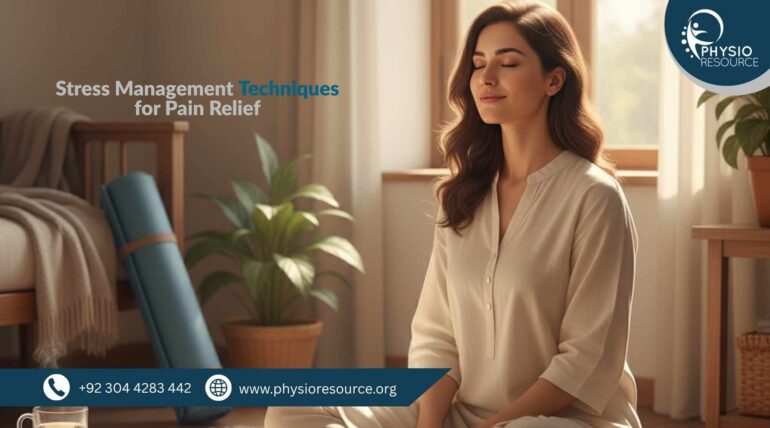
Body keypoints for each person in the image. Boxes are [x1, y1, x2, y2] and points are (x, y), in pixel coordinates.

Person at [265, 0, 641, 426]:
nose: (487, 78)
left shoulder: (595, 197)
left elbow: (585, 359)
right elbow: (436, 337)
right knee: (292, 405)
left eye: (508, 63)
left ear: (554, 79)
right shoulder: (465, 194)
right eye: (479, 64)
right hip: (462, 412)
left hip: (561, 418)